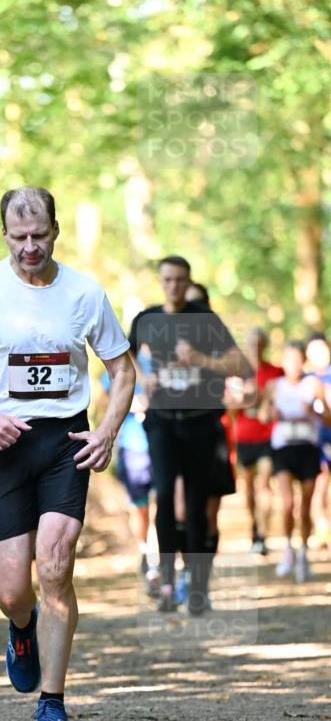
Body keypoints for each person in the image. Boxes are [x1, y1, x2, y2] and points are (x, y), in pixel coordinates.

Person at [0, 187, 135, 721]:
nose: (29, 247)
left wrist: (107, 431)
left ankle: (52, 705)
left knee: (55, 567)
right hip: (4, 444)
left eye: (39, 235)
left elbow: (122, 370)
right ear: (4, 235)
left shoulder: (85, 293)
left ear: (55, 230)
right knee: (11, 592)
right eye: (19, 237)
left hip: (65, 442)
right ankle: (22, 627)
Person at [129, 256, 250, 615]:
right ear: (160, 282)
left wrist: (200, 359)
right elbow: (123, 354)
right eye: (167, 280)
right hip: (162, 422)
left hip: (200, 422)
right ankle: (167, 583)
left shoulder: (205, 319)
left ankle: (197, 587)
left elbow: (242, 365)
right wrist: (143, 377)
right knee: (165, 497)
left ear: (188, 281)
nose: (174, 286)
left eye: (180, 280)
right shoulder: (147, 319)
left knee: (197, 505)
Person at [171, 280, 237, 604]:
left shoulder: (216, 339)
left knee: (209, 514)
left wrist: (201, 360)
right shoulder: (169, 340)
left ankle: (202, 582)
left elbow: (238, 369)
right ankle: (186, 573)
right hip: (176, 434)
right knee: (181, 510)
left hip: (210, 432)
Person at [261, 340, 331, 581]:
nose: (293, 364)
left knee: (306, 505)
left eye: (298, 359)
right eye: (289, 359)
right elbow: (262, 414)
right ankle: (288, 549)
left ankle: (303, 553)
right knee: (288, 503)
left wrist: (314, 412)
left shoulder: (314, 384)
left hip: (308, 448)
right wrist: (271, 414)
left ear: (304, 361)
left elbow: (329, 417)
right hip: (283, 448)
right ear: (283, 362)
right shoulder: (274, 386)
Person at [100, 350, 158, 596]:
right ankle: (144, 550)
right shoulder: (119, 360)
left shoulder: (164, 360)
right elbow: (105, 400)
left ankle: (155, 561)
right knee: (139, 508)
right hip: (132, 446)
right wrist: (129, 404)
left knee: (159, 508)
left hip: (161, 446)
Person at [226, 327, 283, 554]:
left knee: (265, 484)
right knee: (249, 488)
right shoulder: (237, 374)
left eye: (259, 344)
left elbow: (281, 401)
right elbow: (229, 408)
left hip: (268, 436)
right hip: (244, 436)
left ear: (265, 346)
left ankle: (262, 533)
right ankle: (254, 528)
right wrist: (247, 399)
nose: (255, 349)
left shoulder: (276, 372)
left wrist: (265, 399)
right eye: (251, 344)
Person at [305, 332, 331, 549]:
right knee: (318, 486)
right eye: (313, 350)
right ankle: (323, 529)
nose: (318, 354)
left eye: (322, 349)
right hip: (314, 442)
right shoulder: (305, 379)